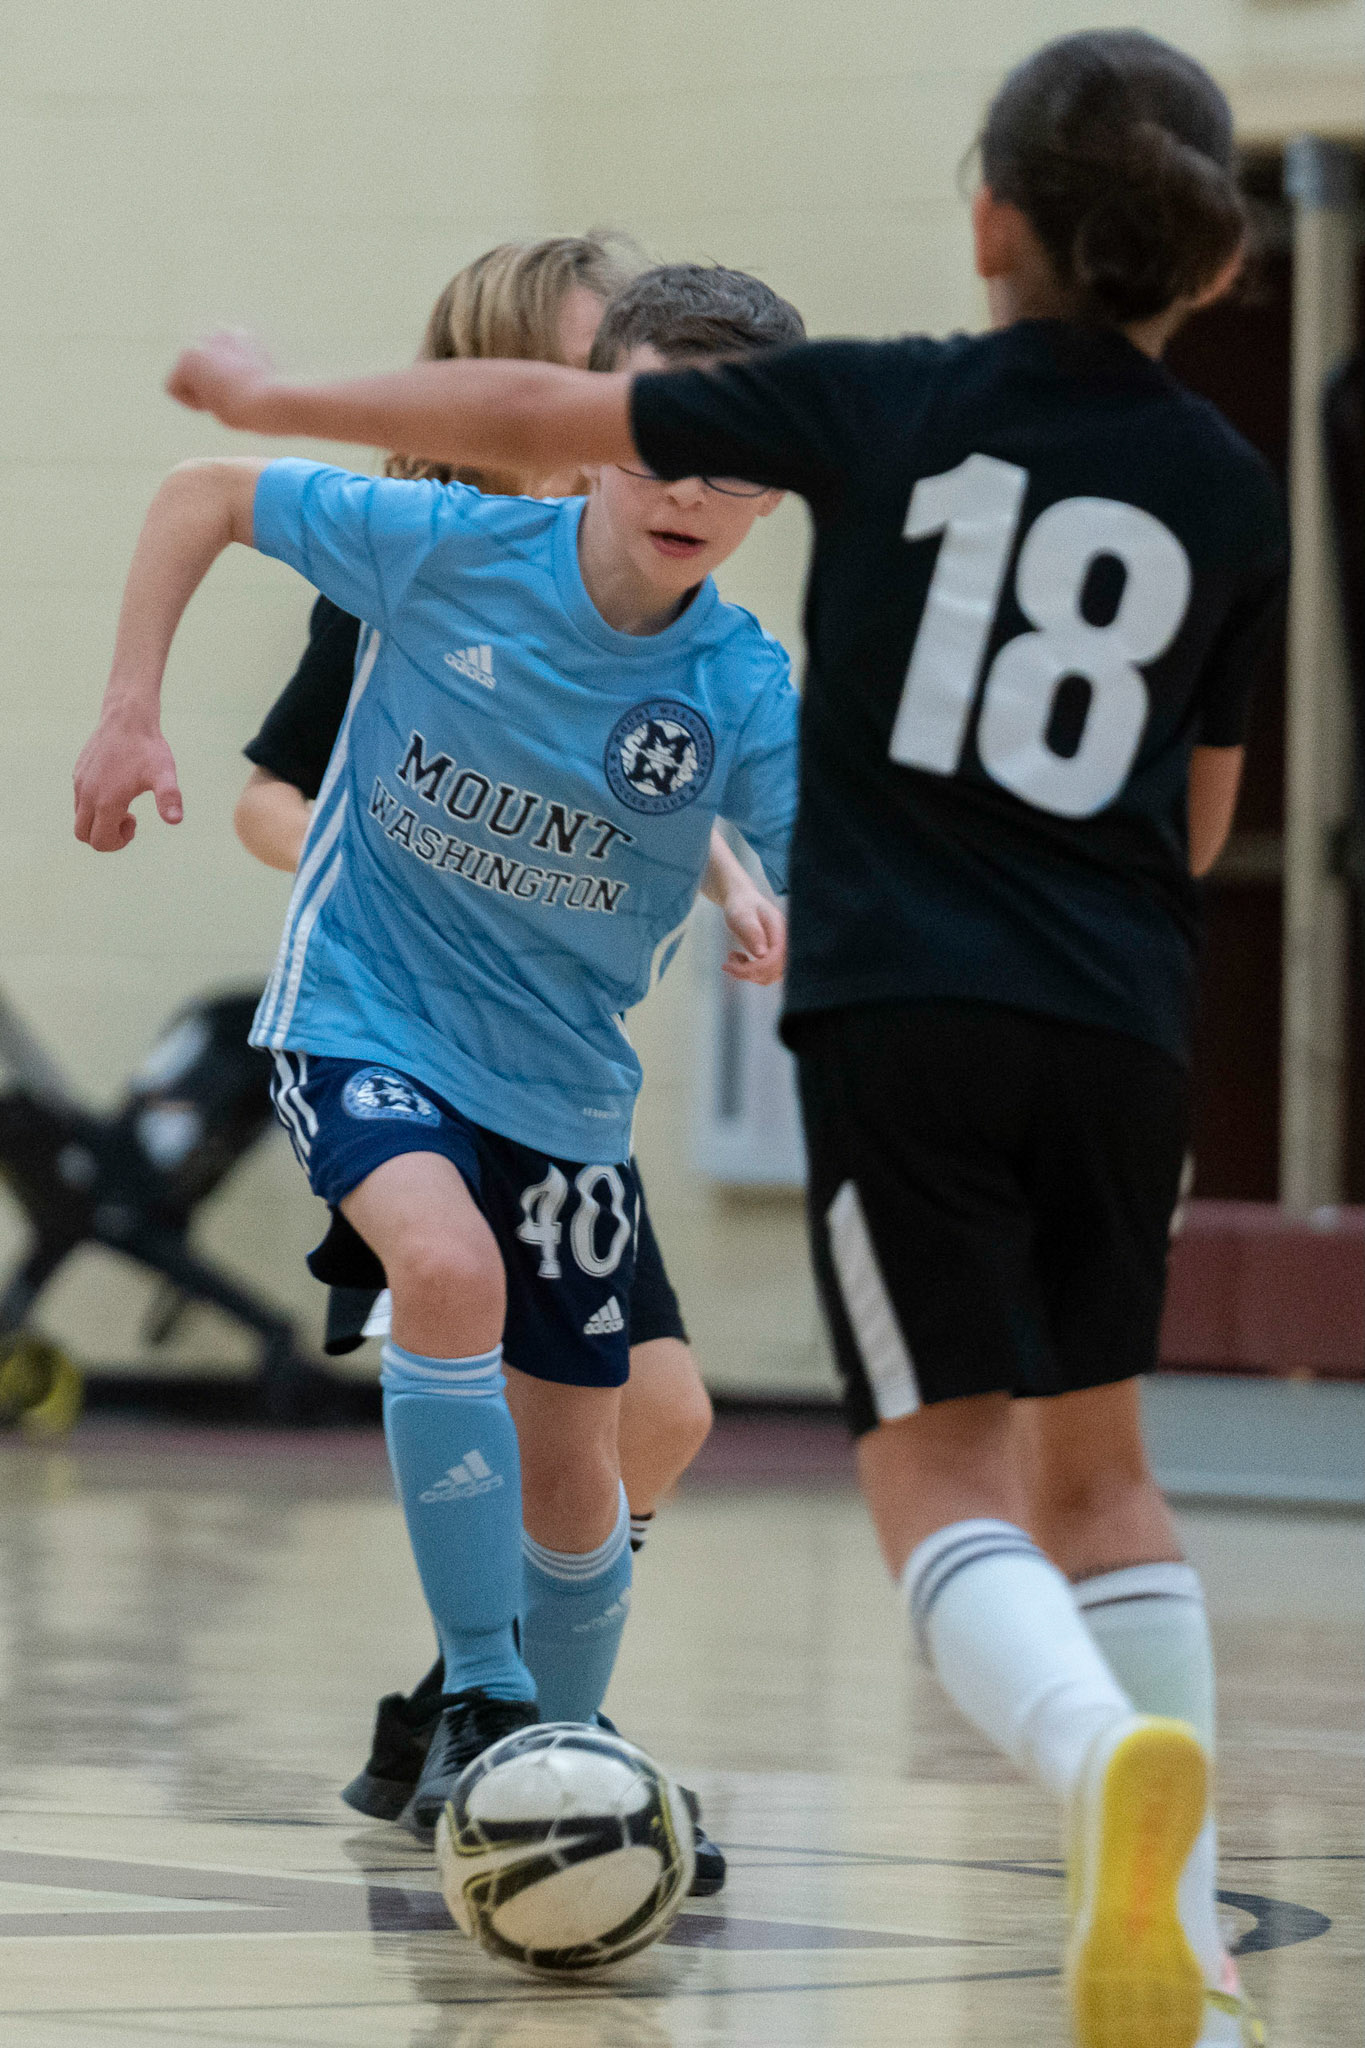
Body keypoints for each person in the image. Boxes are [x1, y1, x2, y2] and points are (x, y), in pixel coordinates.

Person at [153, 32, 1289, 2047]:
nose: (682, 472)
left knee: (790, 1455)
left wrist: (756, 889)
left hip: (795, 1036)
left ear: (985, 225)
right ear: (1203, 275)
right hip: (1086, 1009)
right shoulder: (1223, 478)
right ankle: (1143, 1899)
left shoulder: (873, 443)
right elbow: (1198, 822)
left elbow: (531, 420)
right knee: (1092, 1480)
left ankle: (573, 1728)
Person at [75, 262, 805, 1858]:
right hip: (368, 1011)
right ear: (587, 422)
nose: (687, 488)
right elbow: (205, 487)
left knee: (605, 1445)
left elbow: (840, 863)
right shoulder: (445, 551)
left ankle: (549, 1735)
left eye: (731, 462)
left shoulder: (741, 685)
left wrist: (798, 911)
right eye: (655, 443)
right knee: (444, 1270)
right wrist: (130, 714)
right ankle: (483, 1691)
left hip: (561, 1083)